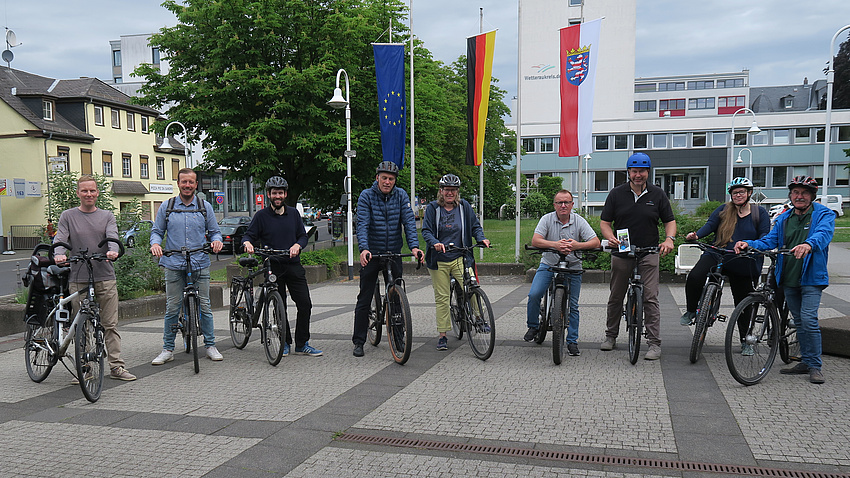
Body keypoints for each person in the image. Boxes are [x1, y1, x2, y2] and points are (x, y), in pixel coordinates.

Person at [734, 176, 834, 384]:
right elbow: (770, 240)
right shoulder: (784, 218)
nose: (800, 196)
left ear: (812, 196)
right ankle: (805, 361)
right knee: (798, 320)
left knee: (808, 320)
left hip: (811, 277)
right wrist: (749, 243)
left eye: (804, 193)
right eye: (796, 193)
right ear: (790, 195)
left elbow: (824, 234)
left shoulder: (823, 214)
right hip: (788, 276)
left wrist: (808, 244)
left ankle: (814, 366)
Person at [53, 175, 136, 381]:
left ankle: (116, 367)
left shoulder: (107, 215)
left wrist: (113, 251)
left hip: (105, 276)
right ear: (78, 193)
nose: (88, 194)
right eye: (84, 191)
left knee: (110, 324)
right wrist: (59, 253)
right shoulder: (68, 216)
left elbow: (112, 237)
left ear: (97, 192)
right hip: (79, 276)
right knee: (82, 324)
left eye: (92, 190)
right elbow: (61, 238)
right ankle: (85, 367)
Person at [599, 152, 676, 360]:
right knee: (616, 295)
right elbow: (605, 222)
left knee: (651, 298)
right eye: (634, 171)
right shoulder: (616, 194)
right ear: (629, 172)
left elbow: (669, 220)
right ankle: (611, 336)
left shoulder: (657, 194)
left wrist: (669, 239)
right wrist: (610, 237)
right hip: (622, 250)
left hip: (649, 250)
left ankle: (654, 344)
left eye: (642, 171)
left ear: (648, 172)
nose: (638, 175)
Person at [681, 178, 770, 351]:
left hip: (743, 259)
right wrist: (697, 235)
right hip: (719, 253)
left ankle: (745, 340)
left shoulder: (759, 213)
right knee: (695, 277)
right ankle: (692, 310)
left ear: (749, 193)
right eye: (735, 192)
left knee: (744, 302)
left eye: (742, 192)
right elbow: (710, 225)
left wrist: (750, 246)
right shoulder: (724, 210)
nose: (738, 195)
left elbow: (765, 236)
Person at [149, 168, 224, 365]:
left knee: (205, 305)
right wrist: (155, 244)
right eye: (184, 182)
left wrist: (217, 242)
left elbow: (215, 231)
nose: (187, 185)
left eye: (191, 182)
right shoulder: (167, 206)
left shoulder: (204, 206)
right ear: (178, 183)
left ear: (196, 184)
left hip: (199, 261)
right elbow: (157, 231)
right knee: (172, 307)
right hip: (173, 262)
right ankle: (167, 349)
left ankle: (210, 345)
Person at [242, 176, 321, 356]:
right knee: (280, 305)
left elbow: (302, 236)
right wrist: (248, 244)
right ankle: (284, 342)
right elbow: (249, 235)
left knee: (305, 304)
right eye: (274, 193)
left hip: (293, 264)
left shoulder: (293, 214)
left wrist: (297, 245)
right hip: (273, 265)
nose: (277, 196)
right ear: (269, 194)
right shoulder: (261, 216)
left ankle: (302, 343)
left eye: (281, 193)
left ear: (285, 194)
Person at [352, 161, 423, 357]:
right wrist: (364, 249)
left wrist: (414, 247)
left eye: (391, 179)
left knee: (397, 298)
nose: (387, 182)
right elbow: (363, 224)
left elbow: (409, 221)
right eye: (384, 178)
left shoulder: (400, 195)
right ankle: (359, 341)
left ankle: (399, 338)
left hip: (393, 252)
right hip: (372, 253)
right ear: (377, 178)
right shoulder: (367, 196)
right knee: (365, 298)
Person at [525, 189, 600, 356]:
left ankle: (572, 341)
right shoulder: (546, 219)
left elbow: (595, 241)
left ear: (572, 204)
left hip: (573, 266)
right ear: (554, 205)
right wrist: (555, 245)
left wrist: (577, 246)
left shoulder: (579, 221)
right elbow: (536, 240)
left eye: (567, 202)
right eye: (559, 202)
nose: (563, 205)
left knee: (573, 305)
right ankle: (533, 326)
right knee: (534, 294)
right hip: (549, 264)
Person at [421, 173, 490, 351]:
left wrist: (481, 239)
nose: (450, 193)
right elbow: (426, 230)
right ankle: (443, 335)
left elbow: (475, 226)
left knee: (472, 286)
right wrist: (434, 243)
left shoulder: (464, 206)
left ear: (457, 192)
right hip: (439, 260)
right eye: (447, 190)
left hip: (460, 256)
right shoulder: (433, 208)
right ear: (441, 191)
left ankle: (479, 318)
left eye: (453, 190)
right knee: (442, 298)